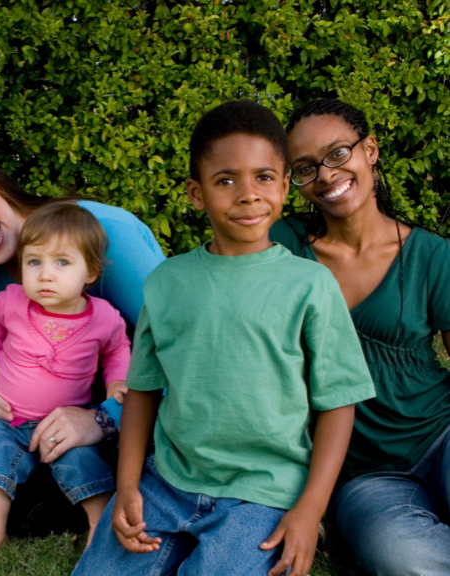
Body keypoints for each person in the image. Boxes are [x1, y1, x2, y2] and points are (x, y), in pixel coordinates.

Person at [74, 100, 377, 576]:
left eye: (263, 177)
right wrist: (127, 484)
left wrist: (309, 510)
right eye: (226, 180)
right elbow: (145, 390)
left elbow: (339, 403)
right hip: (168, 482)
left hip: (263, 492)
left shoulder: (310, 285)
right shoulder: (168, 282)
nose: (248, 195)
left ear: (282, 186)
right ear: (196, 194)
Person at [0, 143, 165, 536]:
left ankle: (135, 493)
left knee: (27, 512)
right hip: (57, 409)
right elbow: (20, 349)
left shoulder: (106, 237)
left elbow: (191, 354)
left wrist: (104, 419)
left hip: (150, 403)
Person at [270, 98, 450, 576]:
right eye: (305, 168)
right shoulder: (283, 249)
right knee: (400, 557)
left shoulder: (431, 256)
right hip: (364, 476)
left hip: (441, 434)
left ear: (369, 150)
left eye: (337, 154)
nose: (326, 176)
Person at [0, 203, 131, 564]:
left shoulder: (103, 317)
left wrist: (117, 383)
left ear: (91, 272)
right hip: (5, 417)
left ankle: (97, 528)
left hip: (63, 422)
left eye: (62, 263)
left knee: (83, 464)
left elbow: (119, 351)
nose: (45, 275)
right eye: (34, 262)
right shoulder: (10, 301)